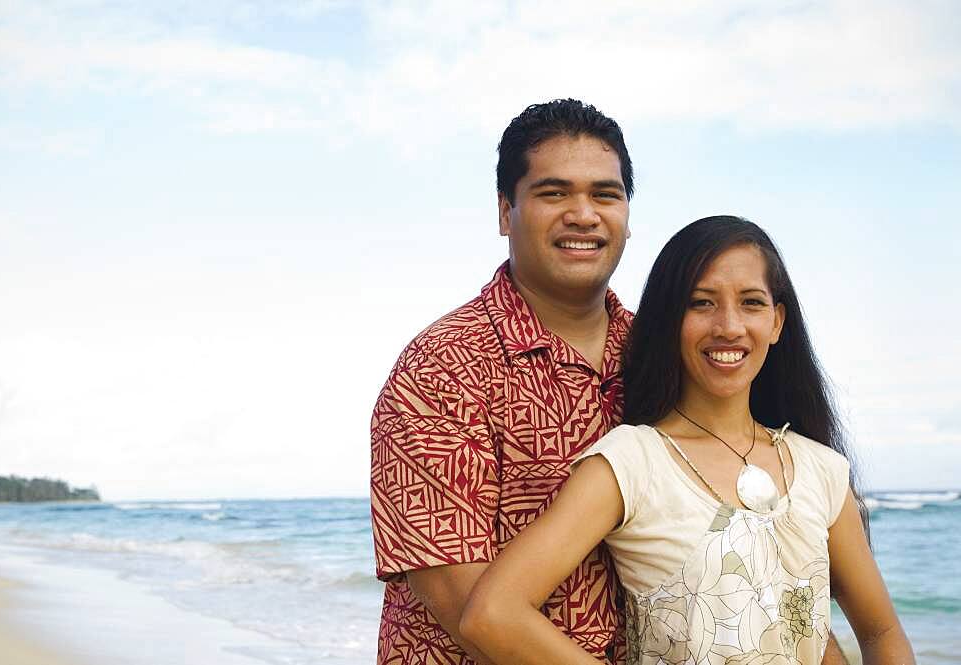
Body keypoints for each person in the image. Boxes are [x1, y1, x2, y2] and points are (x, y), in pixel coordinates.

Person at [459, 216, 914, 664]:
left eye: (751, 303)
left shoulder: (821, 468)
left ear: (776, 323)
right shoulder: (632, 461)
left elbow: (882, 632)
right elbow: (493, 615)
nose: (729, 326)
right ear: (670, 320)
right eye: (701, 303)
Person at [371, 98, 635, 664]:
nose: (583, 214)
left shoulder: (658, 357)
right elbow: (467, 609)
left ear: (627, 216)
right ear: (504, 211)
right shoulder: (441, 368)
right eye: (553, 192)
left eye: (604, 194)